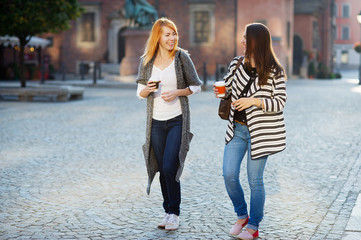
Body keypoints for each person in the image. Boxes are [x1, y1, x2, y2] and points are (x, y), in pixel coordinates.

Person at [214, 23, 287, 240]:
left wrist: (254, 101)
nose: (242, 41)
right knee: (229, 174)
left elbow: (280, 102)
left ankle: (253, 226)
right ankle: (242, 215)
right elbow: (228, 88)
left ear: (257, 41)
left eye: (246, 38)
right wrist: (221, 91)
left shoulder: (275, 70)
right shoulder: (237, 63)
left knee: (255, 180)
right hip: (236, 129)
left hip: (260, 134)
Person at [136, 17, 202, 231]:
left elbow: (196, 86)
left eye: (174, 34)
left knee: (169, 166)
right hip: (155, 122)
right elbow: (139, 93)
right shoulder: (146, 60)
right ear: (158, 37)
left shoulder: (181, 57)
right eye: (168, 34)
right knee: (162, 170)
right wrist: (148, 88)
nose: (172, 38)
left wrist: (178, 92)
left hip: (177, 120)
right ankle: (167, 211)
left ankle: (174, 212)